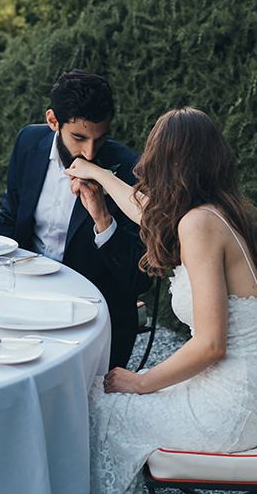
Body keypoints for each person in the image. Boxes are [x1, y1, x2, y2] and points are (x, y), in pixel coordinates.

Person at [66, 107, 257, 493]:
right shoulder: (225, 211)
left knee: (92, 412)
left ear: (167, 163)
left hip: (232, 405)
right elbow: (146, 210)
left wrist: (141, 381)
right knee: (97, 402)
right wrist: (98, 175)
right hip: (242, 386)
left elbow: (211, 344)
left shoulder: (198, 224)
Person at [0, 69, 147, 368]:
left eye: (99, 139)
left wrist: (102, 217)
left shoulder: (129, 169)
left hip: (93, 315)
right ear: (53, 121)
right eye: (79, 137)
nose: (89, 152)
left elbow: (138, 278)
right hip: (26, 298)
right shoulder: (28, 141)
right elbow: (10, 214)